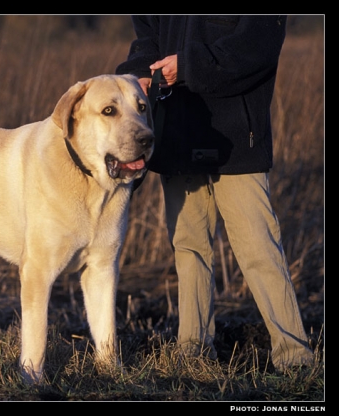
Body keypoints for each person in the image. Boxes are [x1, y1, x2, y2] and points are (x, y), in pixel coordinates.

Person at [115, 15, 314, 372]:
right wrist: (138, 73)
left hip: (237, 139)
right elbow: (147, 38)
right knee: (188, 247)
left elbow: (258, 47)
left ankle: (295, 358)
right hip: (176, 133)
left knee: (259, 247)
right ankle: (193, 353)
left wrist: (188, 67)